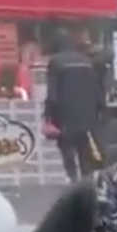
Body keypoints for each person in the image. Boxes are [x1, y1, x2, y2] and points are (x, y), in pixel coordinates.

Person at [44, 30, 105, 182]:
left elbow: (53, 92)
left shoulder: (56, 61)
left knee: (66, 148)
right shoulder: (86, 60)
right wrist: (100, 109)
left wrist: (48, 115)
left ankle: (73, 179)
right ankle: (86, 181)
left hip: (66, 114)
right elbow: (97, 87)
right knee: (84, 148)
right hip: (87, 114)